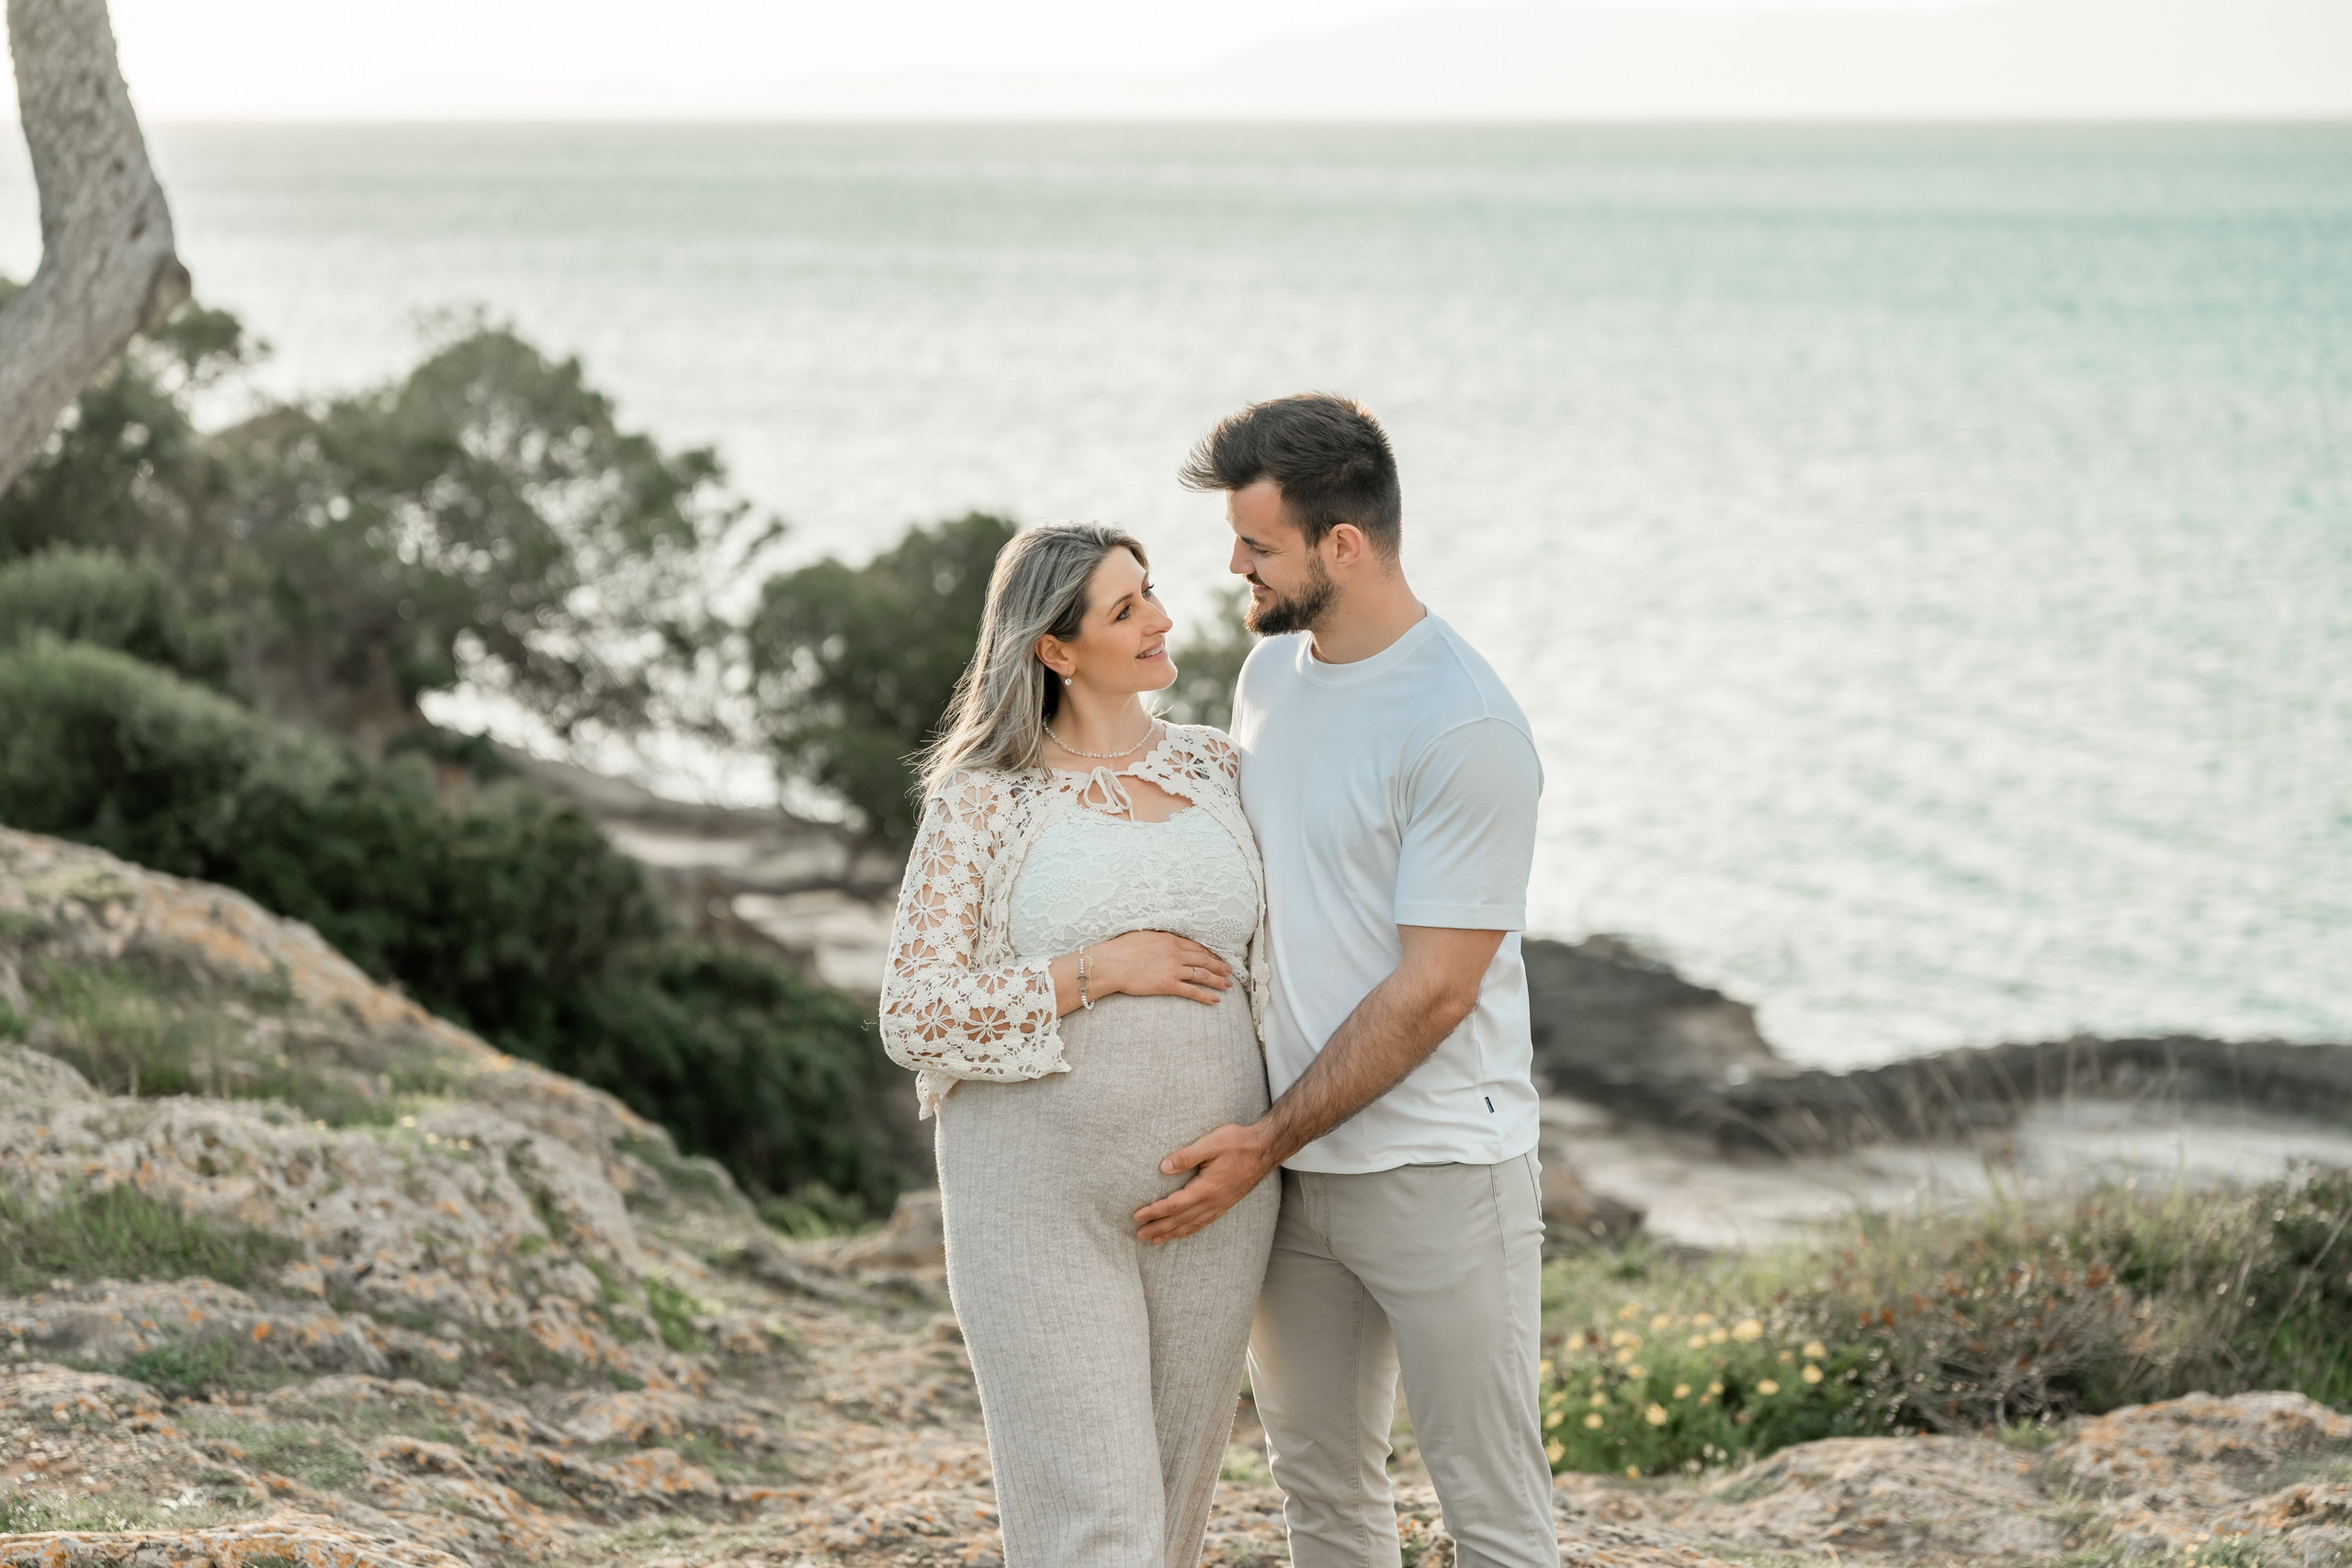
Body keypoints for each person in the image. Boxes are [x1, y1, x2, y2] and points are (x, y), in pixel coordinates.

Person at [1136, 395, 1558, 1568]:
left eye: (1257, 546)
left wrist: (1264, 1139)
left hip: (1437, 1169)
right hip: (1294, 1175)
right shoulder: (1270, 682)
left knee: (1492, 1514)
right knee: (1320, 1497)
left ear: (1343, 546)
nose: (1231, 569)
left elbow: (1434, 991)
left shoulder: (1463, 726)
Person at [876, 522, 1281, 1568]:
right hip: (1034, 1197)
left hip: (1214, 1193)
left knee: (1171, 1510)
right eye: (1124, 609)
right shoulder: (981, 799)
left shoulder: (1219, 768)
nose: (1160, 619)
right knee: (1095, 1526)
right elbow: (913, 1012)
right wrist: (1092, 972)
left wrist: (1274, 1140)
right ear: (1054, 650)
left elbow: (1288, 961)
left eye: (1147, 593)